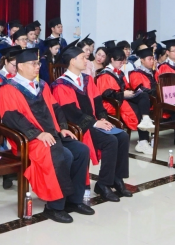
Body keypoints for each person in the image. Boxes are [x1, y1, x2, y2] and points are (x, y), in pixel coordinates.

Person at [0, 48, 94, 223]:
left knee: (81, 150)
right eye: (33, 64)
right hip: (29, 139)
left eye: (38, 63)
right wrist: (37, 134)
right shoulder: (8, 88)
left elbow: (56, 108)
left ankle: (74, 200)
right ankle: (54, 206)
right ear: (20, 66)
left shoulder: (41, 85)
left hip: (52, 134)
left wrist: (63, 127)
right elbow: (11, 118)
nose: (38, 67)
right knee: (64, 155)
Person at [54, 46, 130, 204]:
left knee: (123, 136)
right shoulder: (61, 85)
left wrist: (103, 118)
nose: (86, 59)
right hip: (79, 127)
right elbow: (71, 112)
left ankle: (117, 178)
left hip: (94, 123)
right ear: (72, 61)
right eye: (83, 57)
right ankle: (103, 184)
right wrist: (95, 123)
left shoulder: (87, 79)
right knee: (110, 141)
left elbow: (98, 102)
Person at [126, 42, 159, 153]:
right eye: (149, 59)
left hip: (154, 100)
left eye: (153, 59)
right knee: (142, 105)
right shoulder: (135, 73)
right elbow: (139, 89)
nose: (152, 61)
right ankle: (142, 141)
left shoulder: (154, 72)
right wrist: (155, 92)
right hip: (140, 100)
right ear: (142, 60)